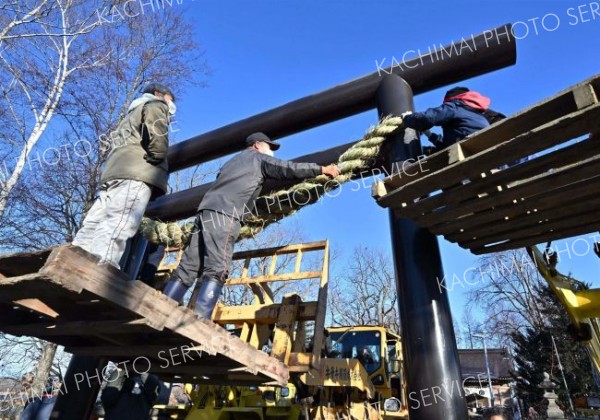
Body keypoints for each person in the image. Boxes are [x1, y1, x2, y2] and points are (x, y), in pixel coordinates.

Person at [162, 132, 340, 318]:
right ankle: (200, 319)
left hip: (205, 212)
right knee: (218, 267)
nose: (271, 151)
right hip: (226, 214)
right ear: (256, 145)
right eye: (269, 147)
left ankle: (163, 310)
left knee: (188, 266)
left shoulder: (231, 162)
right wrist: (321, 170)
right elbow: (286, 168)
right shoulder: (257, 158)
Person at [72, 83, 176, 268]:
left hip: (113, 174)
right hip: (136, 173)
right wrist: (158, 156)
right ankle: (102, 272)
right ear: (158, 94)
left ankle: (74, 263)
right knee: (119, 221)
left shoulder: (130, 114)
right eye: (171, 101)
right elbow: (157, 137)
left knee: (94, 222)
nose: (172, 107)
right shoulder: (155, 106)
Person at [401, 86, 497, 153]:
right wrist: (430, 135)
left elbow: (427, 118)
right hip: (488, 156)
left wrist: (407, 117)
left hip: (471, 157)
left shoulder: (454, 106)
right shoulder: (479, 115)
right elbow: (451, 144)